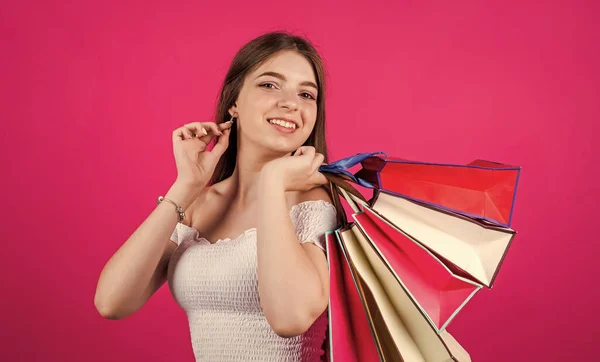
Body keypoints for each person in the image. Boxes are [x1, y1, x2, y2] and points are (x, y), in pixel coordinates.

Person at [94, 31, 343, 361]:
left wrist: (272, 182)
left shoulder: (313, 204)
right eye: (270, 85)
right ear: (234, 102)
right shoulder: (200, 206)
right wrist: (186, 186)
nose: (291, 103)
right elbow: (112, 302)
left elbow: (290, 318)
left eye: (307, 94)